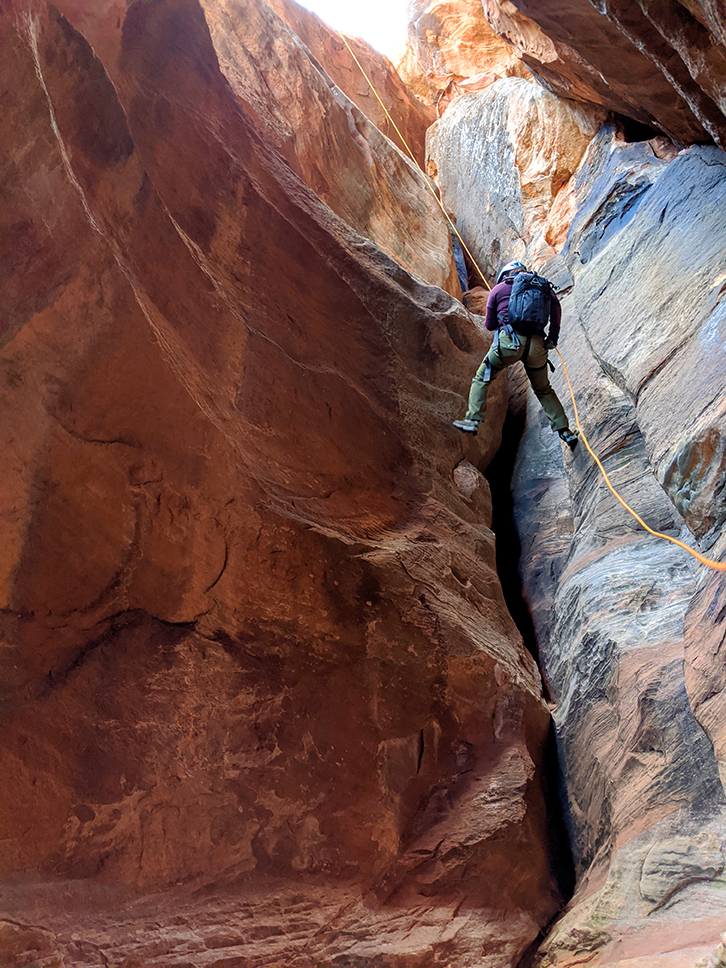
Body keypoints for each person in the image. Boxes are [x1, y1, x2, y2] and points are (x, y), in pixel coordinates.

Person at [452, 261, 579, 449]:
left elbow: (489, 325)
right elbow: (556, 311)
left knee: (482, 378)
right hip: (537, 346)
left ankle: (472, 419)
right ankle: (565, 431)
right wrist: (552, 338)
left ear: (505, 274)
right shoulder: (542, 285)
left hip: (508, 344)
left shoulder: (499, 289)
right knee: (544, 390)